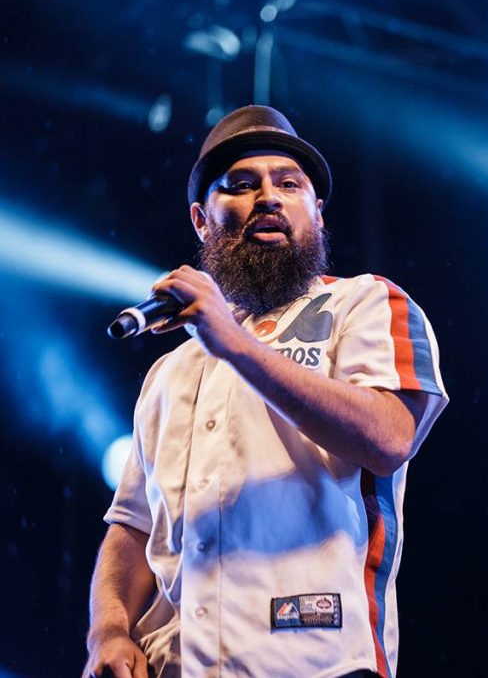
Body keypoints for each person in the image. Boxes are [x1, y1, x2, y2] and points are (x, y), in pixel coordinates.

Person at [83, 106, 448, 678]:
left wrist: (233, 343)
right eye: (242, 185)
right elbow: (132, 528)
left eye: (289, 184)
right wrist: (107, 631)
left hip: (317, 660)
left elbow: (389, 437)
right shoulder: (170, 373)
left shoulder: (365, 303)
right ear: (201, 220)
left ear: (317, 211)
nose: (269, 198)